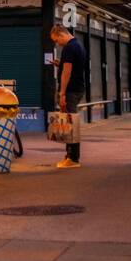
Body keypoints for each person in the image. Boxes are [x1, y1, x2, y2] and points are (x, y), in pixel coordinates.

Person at [49, 25, 86, 169]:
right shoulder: (78, 45)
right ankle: (69, 156)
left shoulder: (69, 48)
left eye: (56, 40)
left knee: (70, 124)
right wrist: (61, 64)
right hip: (77, 88)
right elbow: (72, 67)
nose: (57, 43)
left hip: (70, 90)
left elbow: (68, 72)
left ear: (61, 34)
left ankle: (73, 158)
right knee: (70, 122)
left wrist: (62, 92)